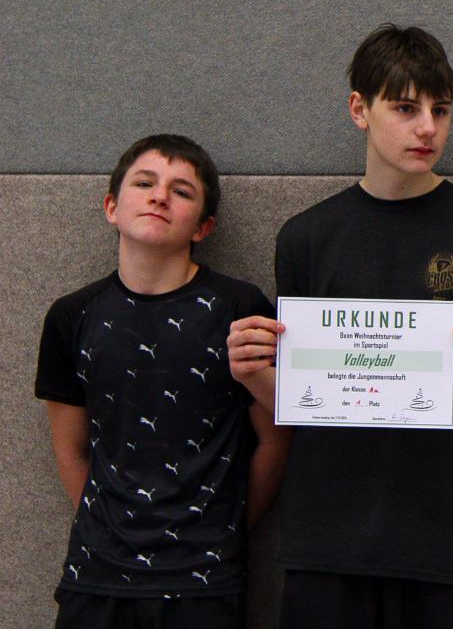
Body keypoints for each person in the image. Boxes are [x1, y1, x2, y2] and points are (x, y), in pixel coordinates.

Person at [226, 24, 453, 629]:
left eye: (441, 110)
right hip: (327, 532)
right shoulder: (307, 237)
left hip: (445, 532)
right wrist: (251, 372)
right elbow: (300, 396)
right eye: (406, 108)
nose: (428, 128)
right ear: (359, 110)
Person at [35, 134, 289, 629]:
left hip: (206, 583)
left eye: (182, 191)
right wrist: (113, 534)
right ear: (111, 207)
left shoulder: (240, 310)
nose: (159, 197)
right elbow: (71, 450)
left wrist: (224, 533)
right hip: (96, 578)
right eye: (144, 183)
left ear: (204, 226)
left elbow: (276, 440)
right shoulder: (71, 315)